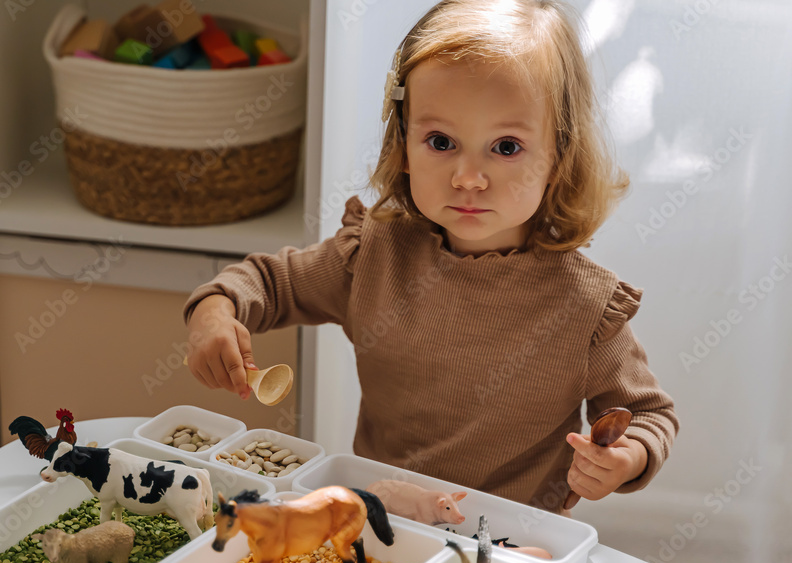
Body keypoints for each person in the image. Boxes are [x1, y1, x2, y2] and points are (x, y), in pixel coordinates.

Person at [183, 0, 678, 515]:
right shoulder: (371, 256)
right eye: (441, 141)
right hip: (385, 522)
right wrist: (214, 311)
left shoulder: (587, 307)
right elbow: (267, 283)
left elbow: (647, 414)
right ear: (403, 142)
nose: (468, 176)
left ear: (559, 155)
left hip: (511, 542)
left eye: (505, 147)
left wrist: (628, 457)